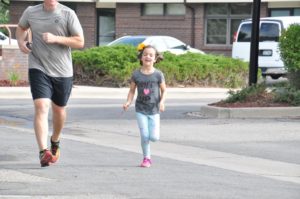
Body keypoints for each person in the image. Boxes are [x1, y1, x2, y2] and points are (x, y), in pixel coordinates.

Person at [16, 0, 84, 167]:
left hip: (63, 71)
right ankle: (43, 152)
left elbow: (80, 42)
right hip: (38, 66)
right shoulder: (31, 11)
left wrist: (56, 39)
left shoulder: (68, 14)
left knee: (59, 110)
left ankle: (55, 139)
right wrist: (21, 42)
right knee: (41, 106)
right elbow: (21, 28)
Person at [123, 45, 167, 168]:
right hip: (140, 109)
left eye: (151, 55)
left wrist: (162, 102)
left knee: (154, 137)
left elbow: (164, 90)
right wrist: (128, 102)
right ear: (141, 57)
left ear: (155, 59)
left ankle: (148, 152)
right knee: (144, 135)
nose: (148, 56)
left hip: (154, 110)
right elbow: (132, 91)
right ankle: (146, 158)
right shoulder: (136, 74)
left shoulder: (158, 74)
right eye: (145, 54)